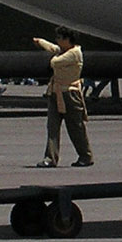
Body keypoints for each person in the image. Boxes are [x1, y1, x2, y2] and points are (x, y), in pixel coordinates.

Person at [35, 27, 93, 167]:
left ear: (67, 40)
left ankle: (85, 156)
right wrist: (40, 42)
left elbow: (54, 61)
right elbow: (53, 47)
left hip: (70, 94)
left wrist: (52, 50)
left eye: (60, 38)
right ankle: (50, 158)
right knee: (52, 127)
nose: (57, 40)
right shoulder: (65, 50)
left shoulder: (74, 53)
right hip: (56, 92)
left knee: (75, 127)